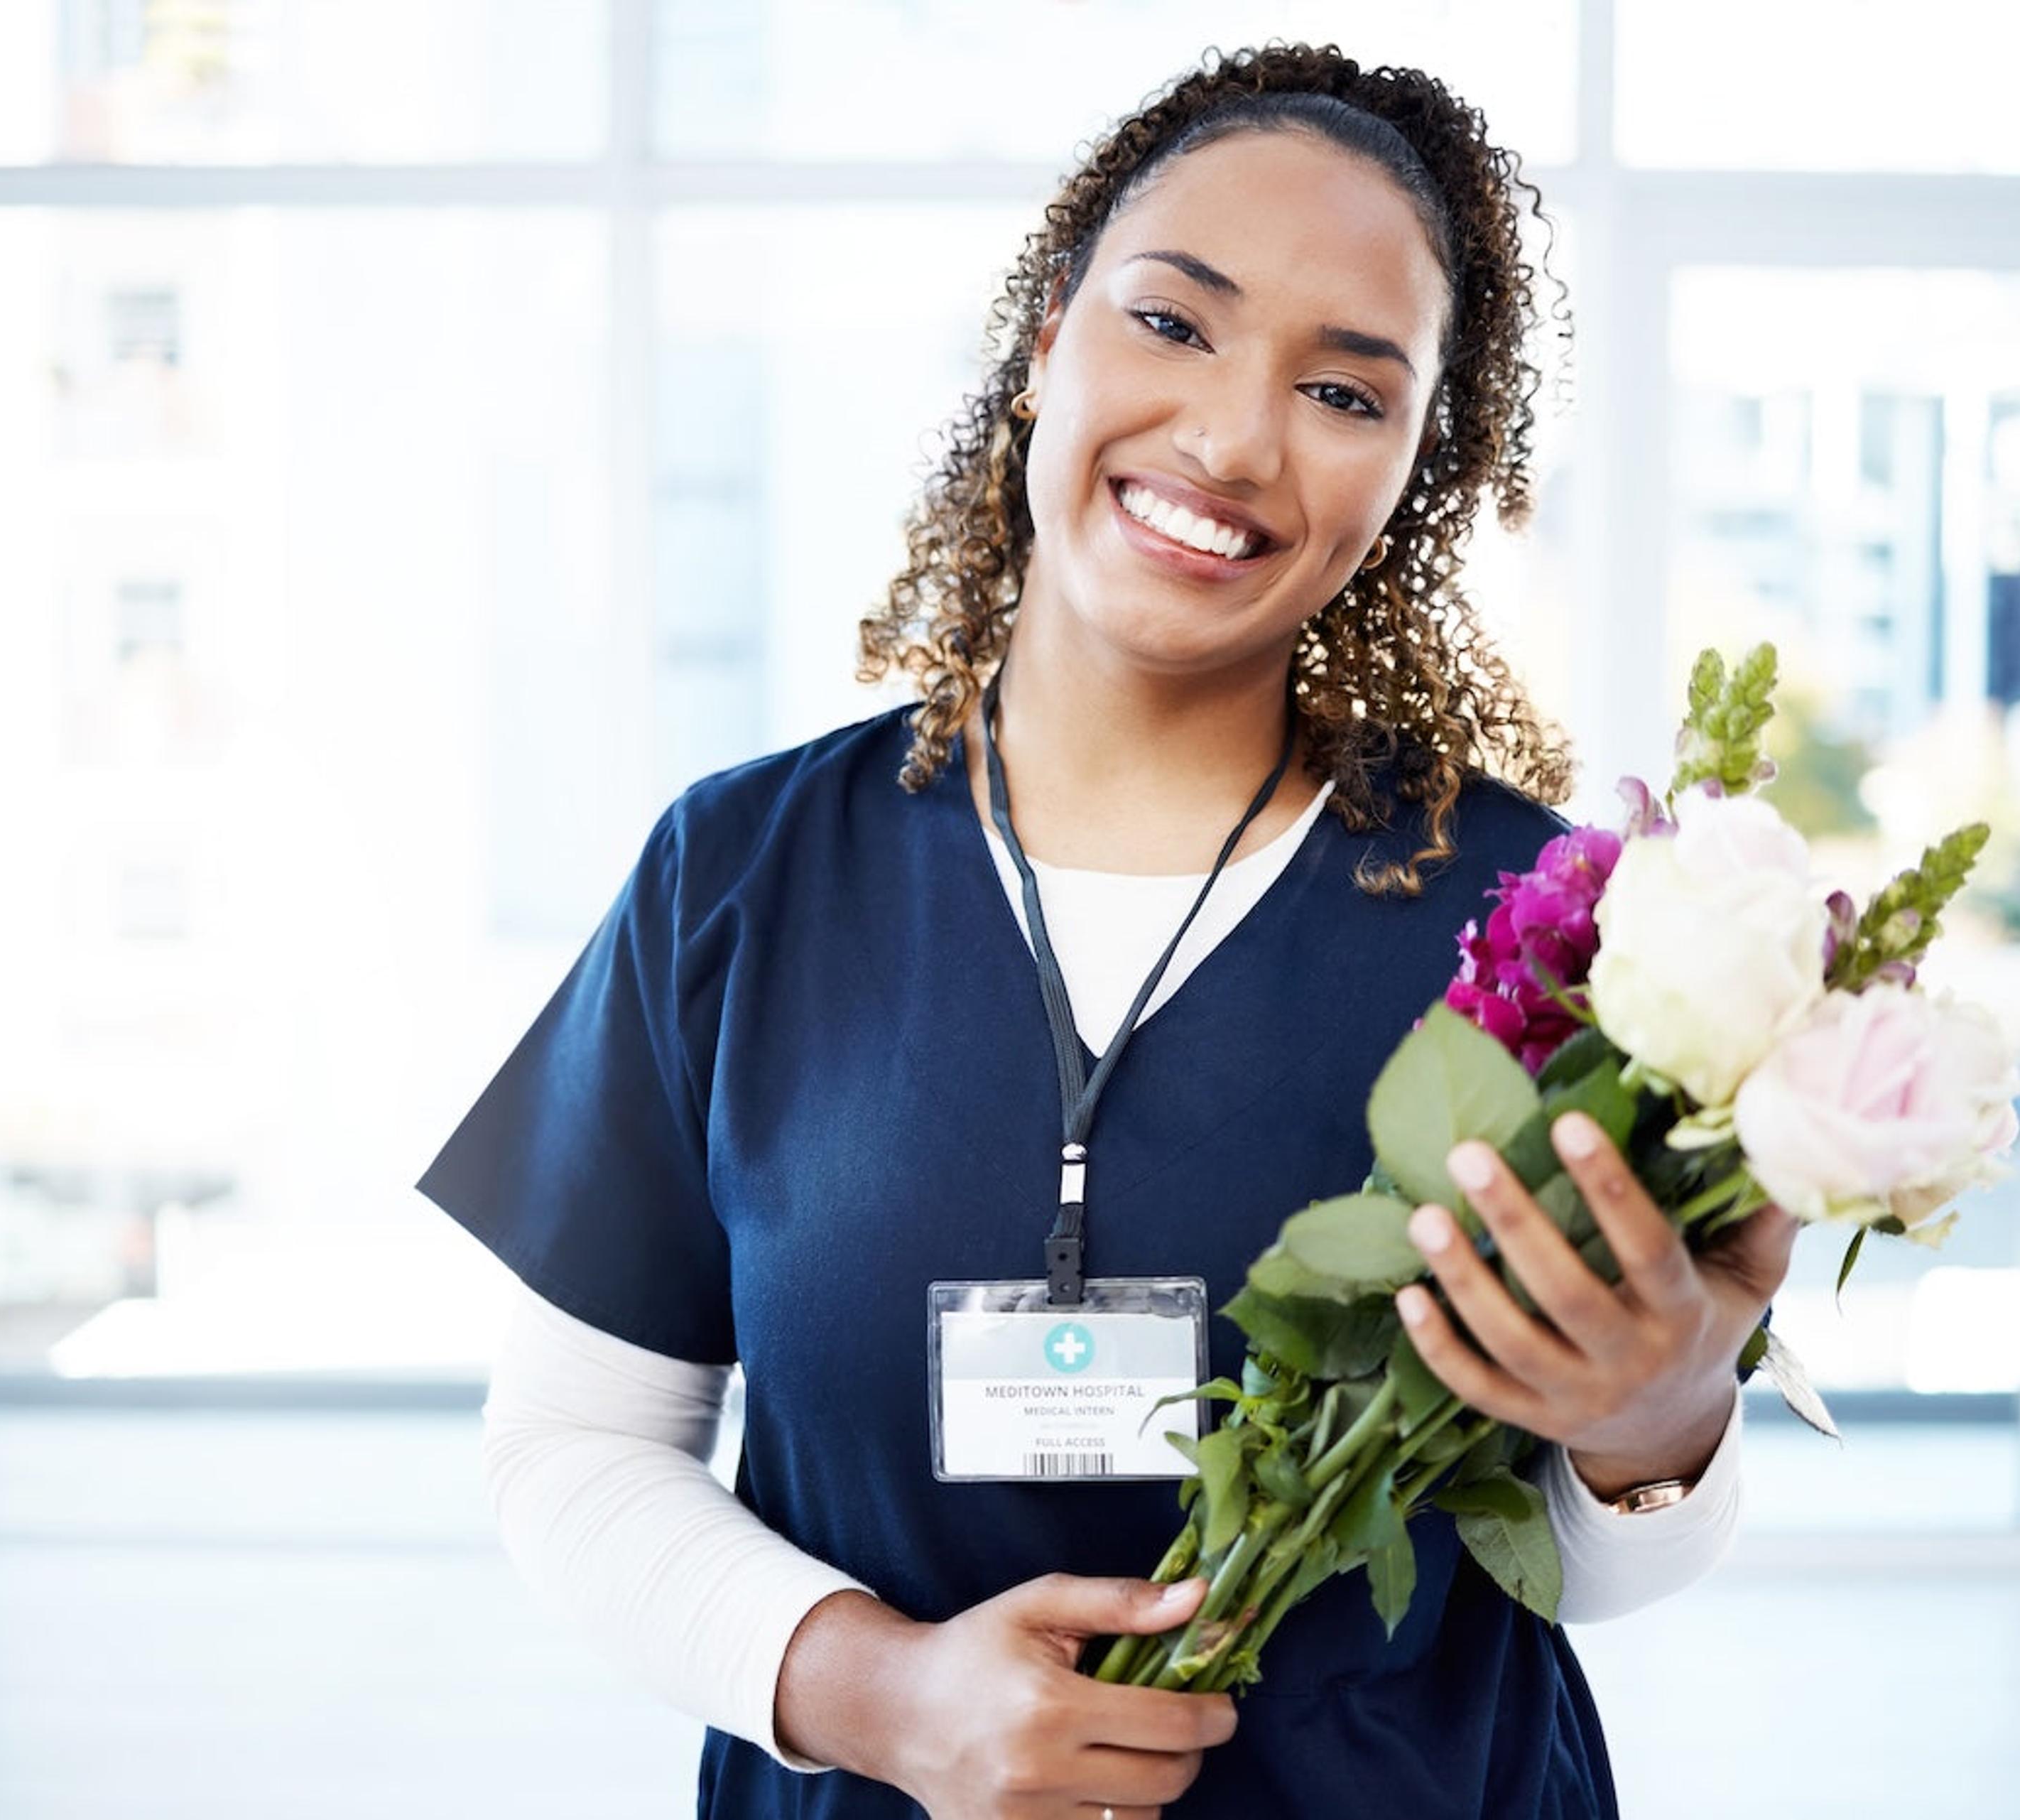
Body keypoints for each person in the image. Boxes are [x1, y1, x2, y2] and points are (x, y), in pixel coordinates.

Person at [419, 43, 1796, 1820]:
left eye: (1348, 393)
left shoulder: (1538, 927)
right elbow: (574, 1448)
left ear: (1412, 484)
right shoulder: (742, 877)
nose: (1232, 437)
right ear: (1045, 341)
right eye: (1173, 322)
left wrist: (1659, 1433)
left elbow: (1581, 1576)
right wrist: (884, 1695)